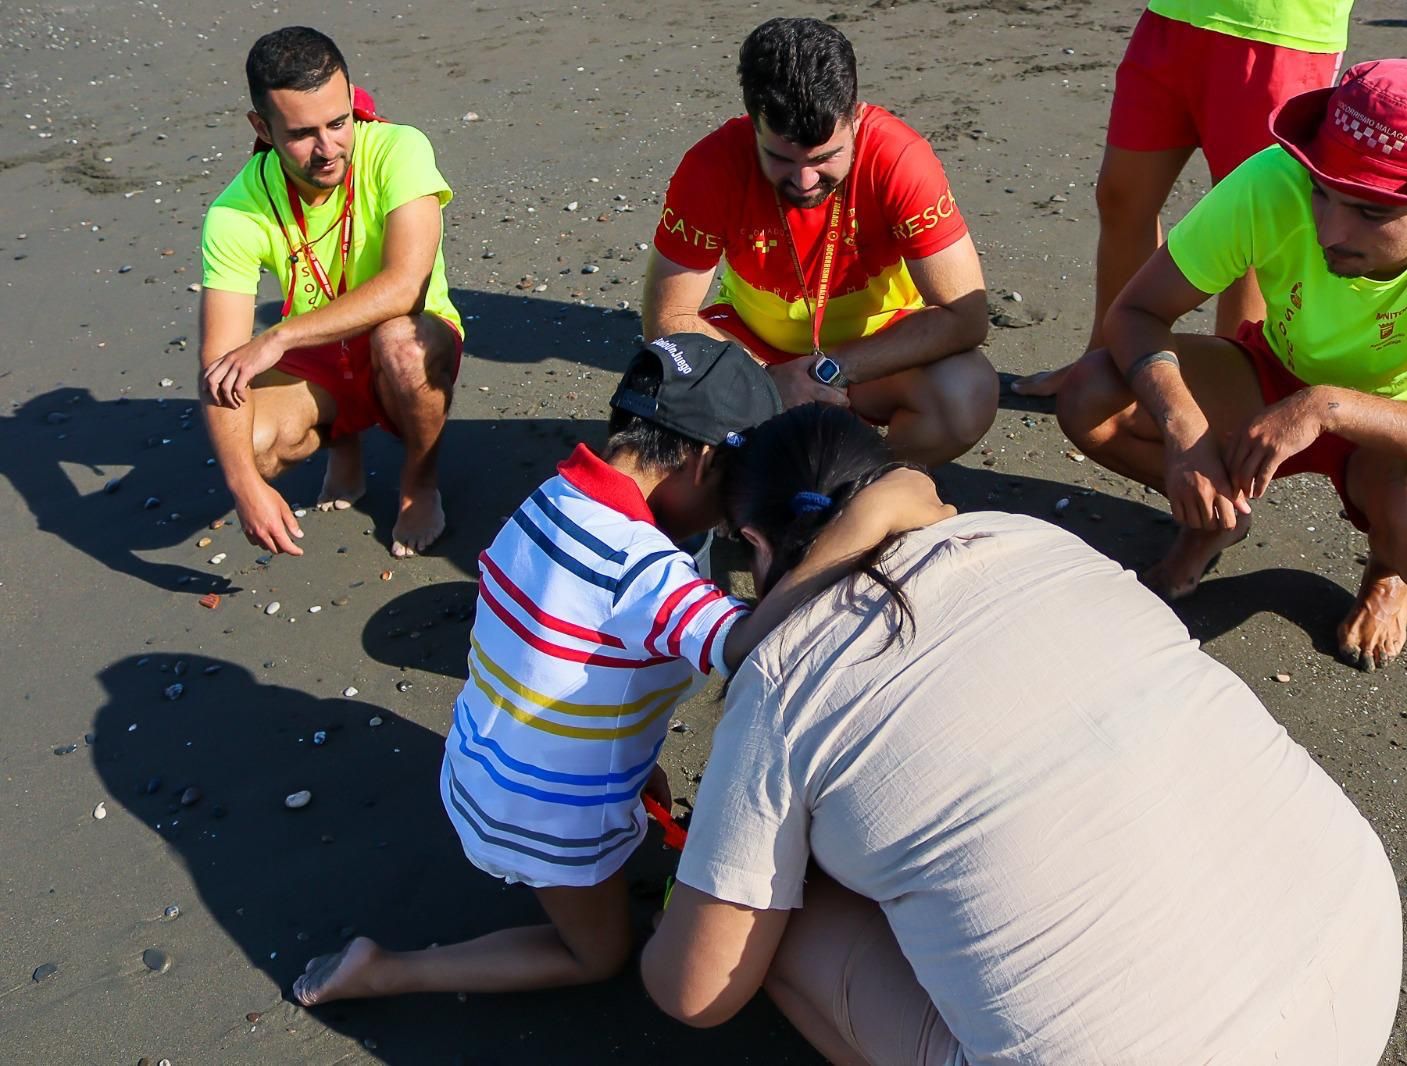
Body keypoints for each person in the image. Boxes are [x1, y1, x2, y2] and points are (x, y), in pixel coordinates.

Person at [641, 403, 1402, 1064]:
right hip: (1358, 954)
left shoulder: (783, 679)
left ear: (757, 544)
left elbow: (694, 991)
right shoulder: (1032, 539)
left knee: (775, 922)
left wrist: (666, 871)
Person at [290, 335, 950, 1007]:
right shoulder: (642, 568)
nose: (729, 521)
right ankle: (387, 971)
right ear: (702, 460)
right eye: (732, 496)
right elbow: (748, 642)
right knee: (598, 955)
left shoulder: (550, 497)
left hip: (480, 760)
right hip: (543, 814)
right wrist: (869, 521)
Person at [1049, 59, 1407, 670]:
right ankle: (1216, 513)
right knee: (1094, 392)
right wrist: (1185, 433)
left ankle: (1386, 571)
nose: (1330, 229)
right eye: (1323, 191)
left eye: (1372, 212)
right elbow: (1134, 314)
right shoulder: (1273, 176)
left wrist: (1328, 407)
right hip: (1275, 372)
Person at [643, 16, 997, 467]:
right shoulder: (710, 167)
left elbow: (965, 318)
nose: (805, 180)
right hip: (754, 346)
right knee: (652, 396)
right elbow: (666, 318)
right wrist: (768, 379)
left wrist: (828, 371)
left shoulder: (899, 158)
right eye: (780, 158)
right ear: (753, 123)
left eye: (827, 157)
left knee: (967, 391)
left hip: (871, 357)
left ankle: (860, 480)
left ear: (855, 116)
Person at [198, 26, 462, 559]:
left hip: (407, 334)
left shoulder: (399, 150)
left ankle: (419, 481)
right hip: (319, 356)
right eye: (301, 133)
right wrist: (243, 485)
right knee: (249, 445)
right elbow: (217, 364)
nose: (327, 149)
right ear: (262, 128)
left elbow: (405, 287)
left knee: (402, 345)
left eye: (338, 123)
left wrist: (277, 337)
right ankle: (343, 441)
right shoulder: (232, 213)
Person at [1014, 0, 1355, 398]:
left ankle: (1236, 391)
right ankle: (1109, 360)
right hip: (1172, 18)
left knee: (1253, 222)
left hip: (1282, 32)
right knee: (1122, 196)